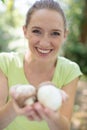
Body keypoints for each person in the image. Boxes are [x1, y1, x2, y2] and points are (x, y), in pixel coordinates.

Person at [0, 0, 82, 130]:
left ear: (65, 35)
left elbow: (64, 127)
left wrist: (51, 114)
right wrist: (14, 105)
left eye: (55, 33)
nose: (44, 43)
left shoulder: (70, 70)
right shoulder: (4, 63)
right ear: (25, 31)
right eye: (37, 31)